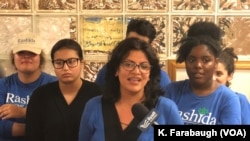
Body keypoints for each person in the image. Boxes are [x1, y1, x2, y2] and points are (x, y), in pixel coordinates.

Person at [78, 38, 183, 141]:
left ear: (150, 73)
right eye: (128, 64)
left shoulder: (166, 108)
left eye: (144, 66)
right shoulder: (94, 106)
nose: (136, 71)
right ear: (116, 69)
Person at [164, 21, 241, 124]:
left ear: (215, 63)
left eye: (206, 60)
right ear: (185, 61)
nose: (198, 65)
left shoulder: (228, 99)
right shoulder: (171, 91)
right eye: (191, 60)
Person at [25, 38, 102, 141]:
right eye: (59, 63)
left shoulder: (97, 94)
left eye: (71, 62)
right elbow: (32, 135)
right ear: (53, 65)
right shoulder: (40, 96)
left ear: (82, 63)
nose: (65, 68)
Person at [0, 32, 57, 141]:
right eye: (21, 53)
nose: (26, 57)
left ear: (40, 58)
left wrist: (23, 112)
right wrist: (38, 127)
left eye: (32, 53)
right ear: (13, 57)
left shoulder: (54, 85)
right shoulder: (3, 85)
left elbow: (58, 122)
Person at [95, 18, 171, 89]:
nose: (136, 47)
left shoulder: (162, 78)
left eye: (142, 45)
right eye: (131, 42)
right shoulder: (106, 72)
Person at [214, 47, 250, 124]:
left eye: (219, 74)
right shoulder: (200, 98)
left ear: (230, 76)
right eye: (210, 73)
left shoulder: (240, 100)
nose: (213, 78)